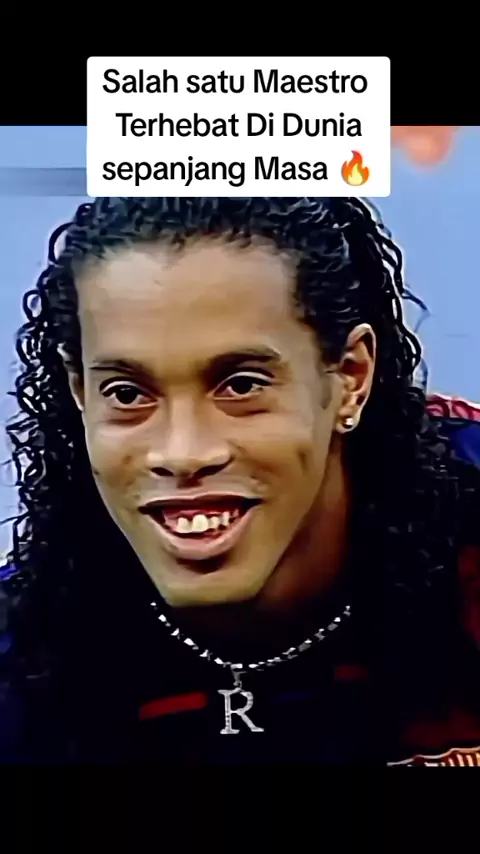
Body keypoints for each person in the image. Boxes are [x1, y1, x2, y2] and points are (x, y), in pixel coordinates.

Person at [2, 195, 480, 766]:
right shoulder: (30, 648)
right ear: (81, 393)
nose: (182, 453)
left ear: (350, 378)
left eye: (242, 385)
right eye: (127, 394)